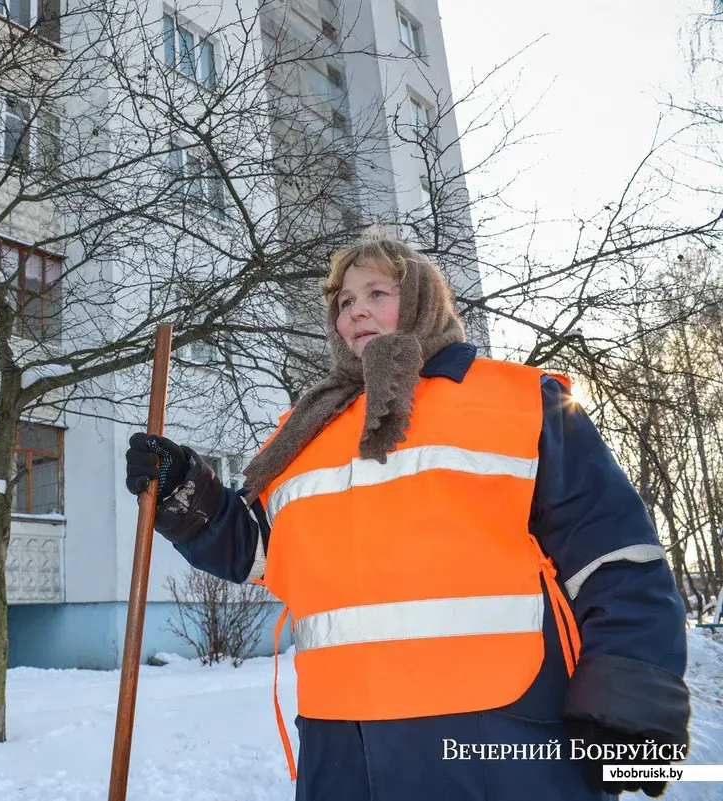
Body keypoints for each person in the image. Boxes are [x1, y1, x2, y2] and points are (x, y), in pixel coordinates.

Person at [125, 235, 690, 801]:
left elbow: (612, 552)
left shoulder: (518, 401)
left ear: (425, 299)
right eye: (344, 302)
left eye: (377, 291)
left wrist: (631, 687)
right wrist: (182, 490)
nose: (357, 310)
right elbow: (261, 553)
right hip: (344, 743)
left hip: (498, 730)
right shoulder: (306, 432)